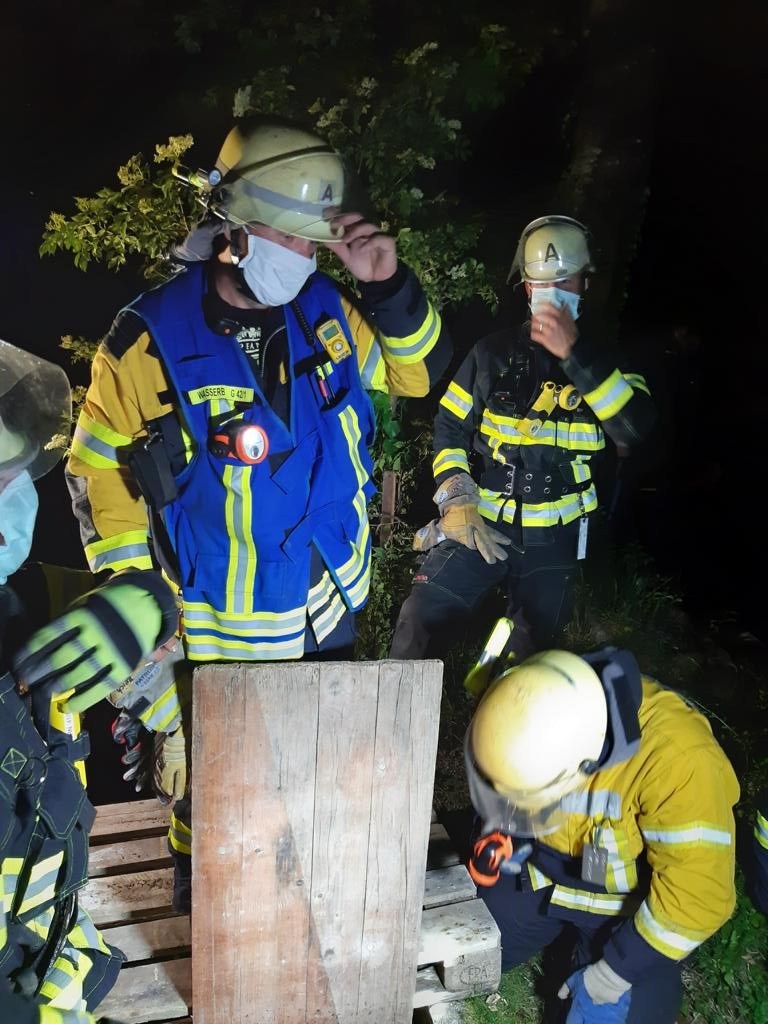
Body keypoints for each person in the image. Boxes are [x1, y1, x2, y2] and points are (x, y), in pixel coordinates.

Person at [63, 115, 452, 909]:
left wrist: (387, 284)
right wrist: (142, 615)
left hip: (325, 606)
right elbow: (98, 479)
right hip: (221, 628)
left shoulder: (328, 311)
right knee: (214, 787)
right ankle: (197, 883)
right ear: (234, 229)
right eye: (293, 236)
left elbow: (417, 375)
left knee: (309, 765)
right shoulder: (145, 343)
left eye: (315, 241)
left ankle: (302, 885)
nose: (306, 255)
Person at [0, 339, 178, 1024]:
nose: (11, 507)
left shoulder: (20, 601)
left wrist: (143, 603)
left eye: (14, 475)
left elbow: (155, 608)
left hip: (53, 958)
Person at [390, 215, 656, 662]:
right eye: (541, 282)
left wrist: (575, 355)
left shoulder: (610, 361)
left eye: (564, 281)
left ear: (585, 284)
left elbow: (634, 428)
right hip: (482, 523)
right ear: (527, 288)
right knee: (420, 616)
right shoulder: (490, 353)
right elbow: (450, 425)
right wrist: (457, 498)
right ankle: (398, 705)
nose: (552, 292)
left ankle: (497, 700)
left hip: (557, 539)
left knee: (530, 656)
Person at [464, 622, 739, 1023]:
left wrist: (615, 971)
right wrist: (499, 834)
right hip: (539, 879)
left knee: (616, 1011)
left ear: (585, 766)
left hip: (623, 912)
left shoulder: (680, 760)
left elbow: (698, 894)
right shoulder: (533, 691)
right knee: (465, 949)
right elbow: (506, 772)